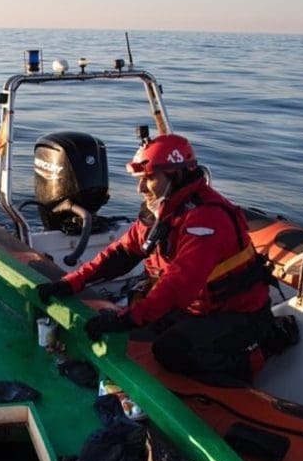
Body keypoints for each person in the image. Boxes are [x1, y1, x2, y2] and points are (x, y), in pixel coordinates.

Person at [36, 133, 275, 383]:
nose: (140, 189)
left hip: (238, 313)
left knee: (170, 351)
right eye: (140, 179)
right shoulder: (162, 210)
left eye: (149, 179)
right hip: (194, 307)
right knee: (142, 326)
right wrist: (70, 283)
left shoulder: (207, 220)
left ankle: (262, 350)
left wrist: (124, 319)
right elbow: (121, 253)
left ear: (175, 175)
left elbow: (178, 285)